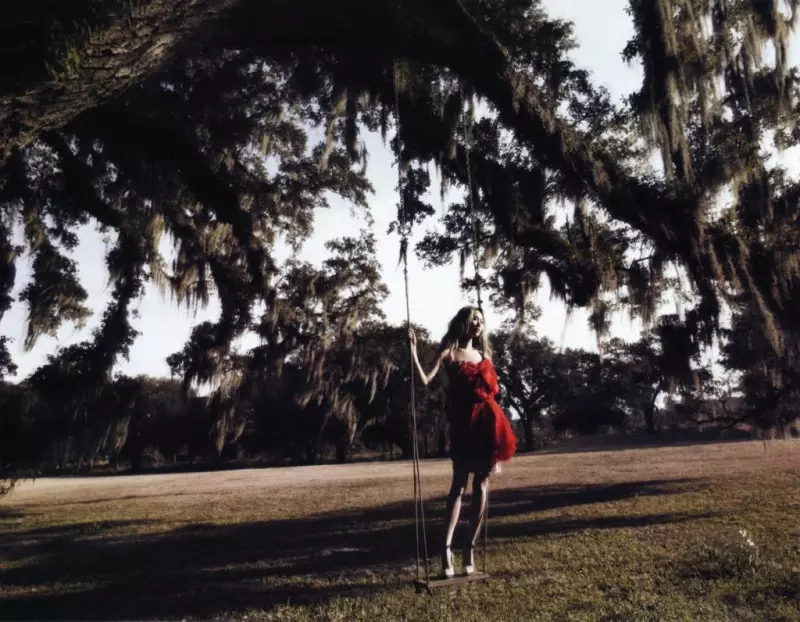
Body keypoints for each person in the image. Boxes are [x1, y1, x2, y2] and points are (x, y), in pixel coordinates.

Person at [408, 305, 517, 578]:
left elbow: (492, 390)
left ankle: (469, 547)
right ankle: (446, 550)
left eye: (481, 321)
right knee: (458, 486)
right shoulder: (448, 352)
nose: (478, 324)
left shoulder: (484, 354)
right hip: (463, 425)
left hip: (487, 424)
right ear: (463, 323)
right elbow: (425, 379)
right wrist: (412, 350)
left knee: (482, 484)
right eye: (473, 320)